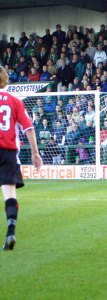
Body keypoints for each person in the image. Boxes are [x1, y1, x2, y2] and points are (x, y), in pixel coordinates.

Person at [0, 66, 42, 250]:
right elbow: (28, 128)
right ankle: (10, 231)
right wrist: (35, 153)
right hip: (8, 153)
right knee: (9, 195)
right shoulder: (15, 101)